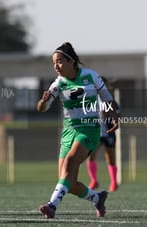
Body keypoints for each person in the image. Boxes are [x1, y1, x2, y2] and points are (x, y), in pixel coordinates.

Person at [37, 42, 119, 219]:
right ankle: (98, 198)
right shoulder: (58, 83)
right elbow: (42, 108)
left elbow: (106, 98)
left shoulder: (90, 76)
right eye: (53, 63)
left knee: (69, 164)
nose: (56, 66)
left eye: (59, 61)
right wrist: (43, 102)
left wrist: (113, 115)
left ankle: (52, 206)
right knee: (68, 182)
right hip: (68, 133)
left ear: (71, 61)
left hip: (89, 130)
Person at [86, 77, 120, 192]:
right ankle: (94, 181)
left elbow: (117, 115)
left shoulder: (111, 101)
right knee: (90, 155)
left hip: (109, 132)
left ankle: (114, 182)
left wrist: (109, 115)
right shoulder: (92, 99)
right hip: (96, 133)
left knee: (110, 159)